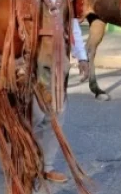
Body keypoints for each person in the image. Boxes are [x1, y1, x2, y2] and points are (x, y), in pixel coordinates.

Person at [34, 17, 89, 183]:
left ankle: (47, 167)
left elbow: (73, 29)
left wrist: (82, 57)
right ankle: (28, 161)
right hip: (33, 65)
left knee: (57, 116)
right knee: (34, 118)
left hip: (58, 66)